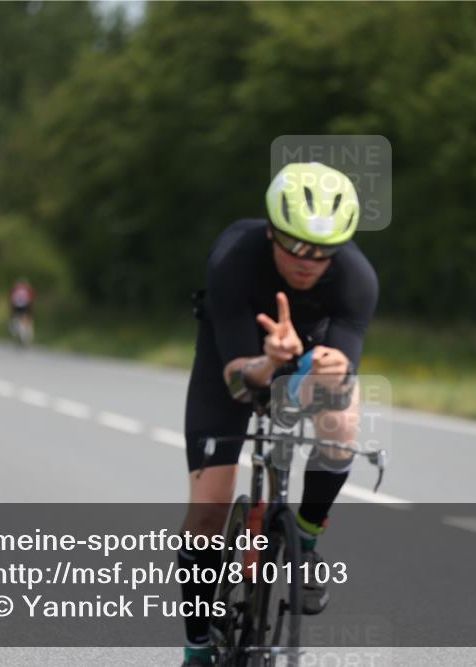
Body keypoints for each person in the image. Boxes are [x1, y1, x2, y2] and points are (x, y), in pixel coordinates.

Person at [179, 162, 378, 666]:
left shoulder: (356, 279)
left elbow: (344, 362)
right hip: (235, 353)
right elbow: (233, 381)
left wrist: (332, 370)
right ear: (272, 230)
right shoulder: (234, 257)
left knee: (343, 419)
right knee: (206, 510)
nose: (309, 261)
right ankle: (197, 646)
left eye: (324, 250)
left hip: (308, 349)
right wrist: (269, 360)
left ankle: (306, 538)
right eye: (296, 246)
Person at [8, 278, 36, 345]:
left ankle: (18, 332)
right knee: (26, 319)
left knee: (16, 318)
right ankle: (26, 333)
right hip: (26, 306)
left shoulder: (15, 289)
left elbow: (11, 298)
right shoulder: (27, 289)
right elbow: (32, 297)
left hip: (16, 306)